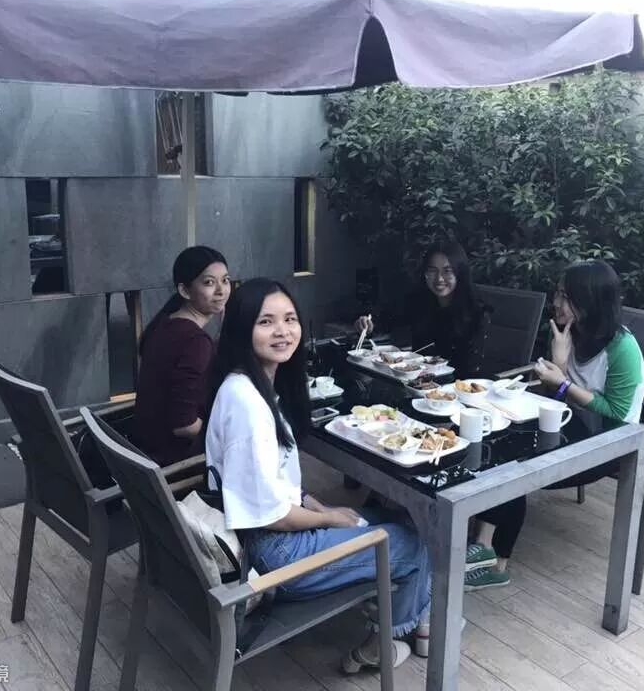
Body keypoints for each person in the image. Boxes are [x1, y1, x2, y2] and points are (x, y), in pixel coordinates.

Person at [205, 278, 436, 671]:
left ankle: (410, 615)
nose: (282, 331)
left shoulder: (248, 385)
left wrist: (321, 507)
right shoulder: (247, 405)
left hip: (269, 539)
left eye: (290, 319)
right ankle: (387, 639)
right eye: (266, 322)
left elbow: (274, 483)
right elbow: (272, 516)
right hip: (274, 557)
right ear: (243, 329)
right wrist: (329, 519)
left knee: (403, 520)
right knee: (417, 544)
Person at [465, 260, 644, 590]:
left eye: (566, 296)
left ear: (591, 301)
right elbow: (556, 399)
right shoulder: (568, 333)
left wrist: (562, 380)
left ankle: (496, 561)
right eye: (558, 293)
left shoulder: (623, 348)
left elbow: (617, 415)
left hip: (610, 444)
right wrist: (560, 367)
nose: (557, 303)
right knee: (500, 446)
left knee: (516, 466)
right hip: (569, 427)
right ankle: (484, 546)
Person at [133, 246, 230, 466]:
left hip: (145, 450)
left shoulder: (165, 323)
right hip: (176, 464)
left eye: (225, 280)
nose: (221, 291)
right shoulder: (195, 341)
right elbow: (184, 426)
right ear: (185, 291)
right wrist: (227, 436)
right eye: (209, 282)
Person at [355, 240, 488, 378]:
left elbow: (471, 369)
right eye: (432, 270)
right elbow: (388, 319)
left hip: (457, 385)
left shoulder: (476, 312)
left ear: (460, 272)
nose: (439, 279)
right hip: (416, 381)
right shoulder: (419, 300)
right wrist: (369, 324)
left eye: (447, 271)